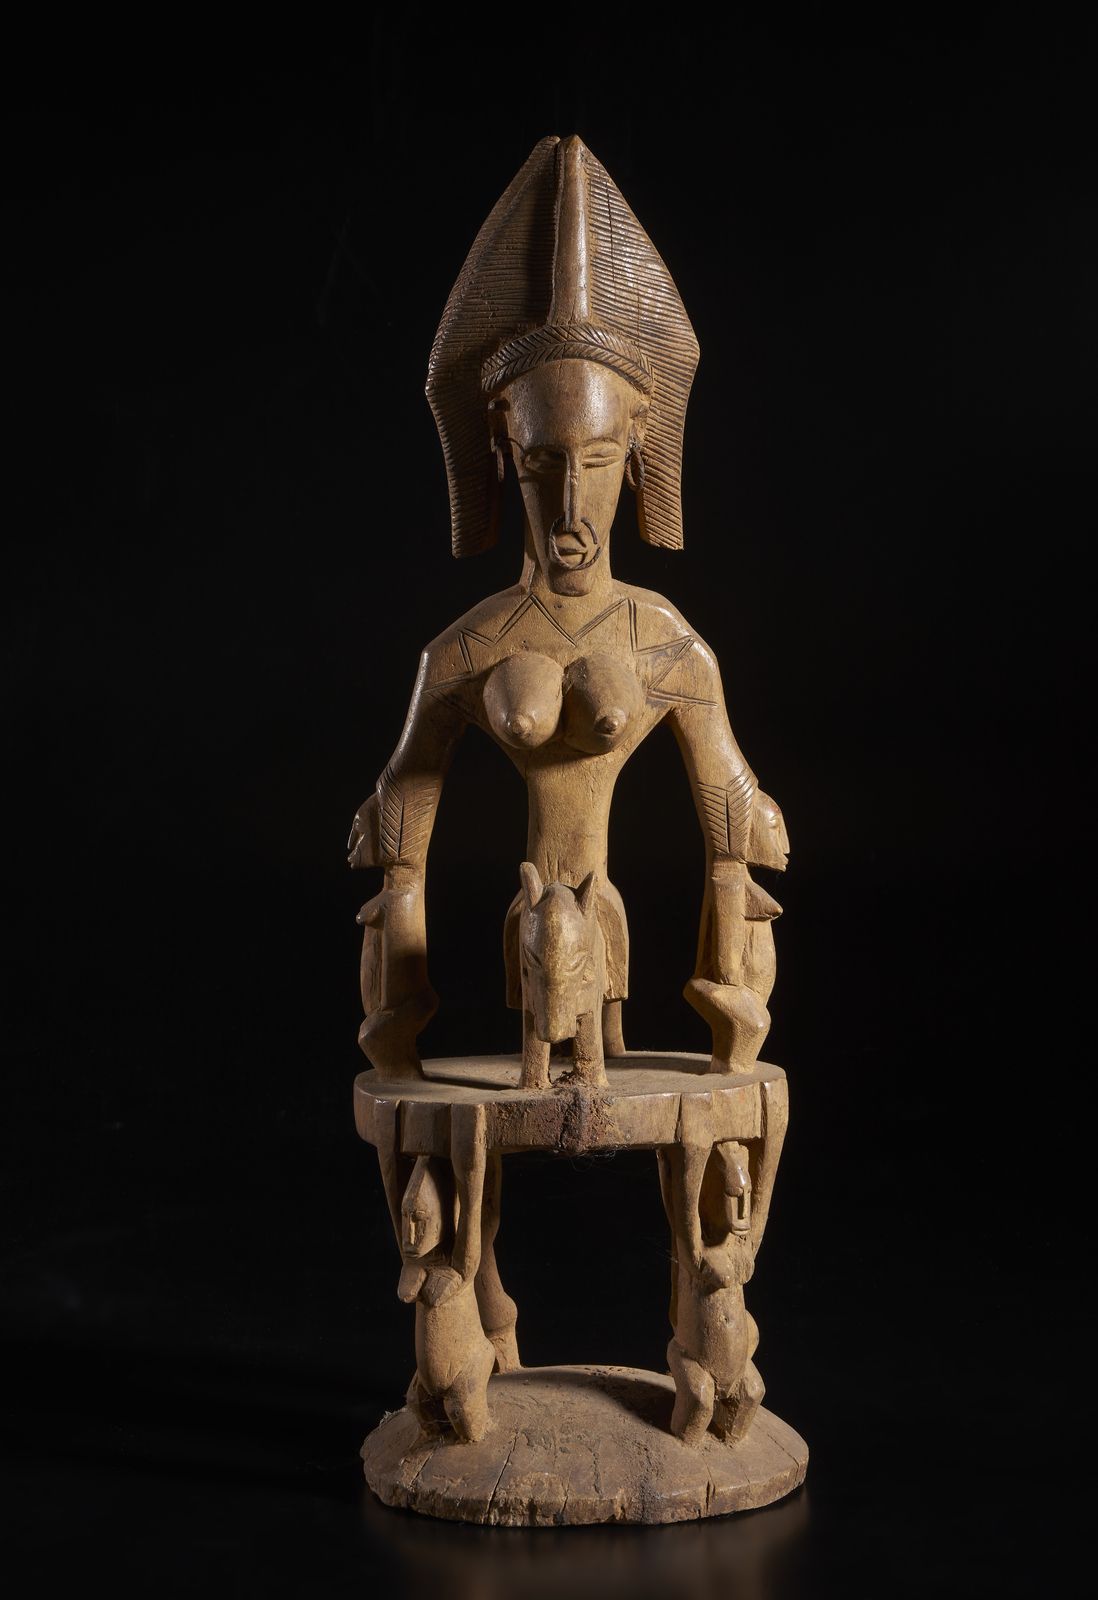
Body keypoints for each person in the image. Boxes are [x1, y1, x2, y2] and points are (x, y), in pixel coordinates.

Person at [347, 135, 784, 1080]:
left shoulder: (667, 646)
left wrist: (734, 1012)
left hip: (605, 927)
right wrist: (397, 1026)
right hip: (529, 924)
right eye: (544, 463)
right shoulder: (465, 652)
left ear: (637, 452)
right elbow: (404, 823)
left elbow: (733, 832)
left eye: (596, 460)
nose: (572, 505)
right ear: (502, 451)